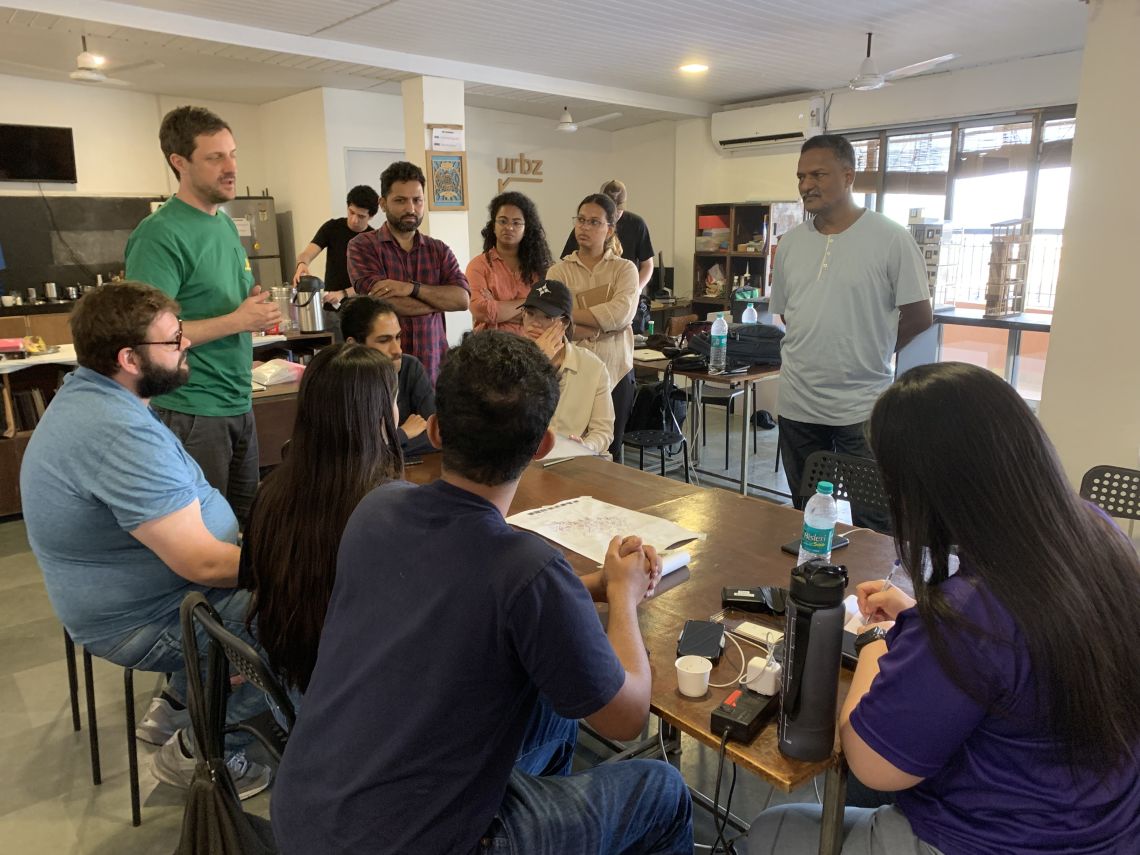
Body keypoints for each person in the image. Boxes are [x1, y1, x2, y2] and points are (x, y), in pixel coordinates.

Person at [271, 331, 692, 854]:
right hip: (419, 844)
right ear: (542, 446)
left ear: (436, 430)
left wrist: (597, 586)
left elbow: (480, 601)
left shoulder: (376, 509)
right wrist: (625, 598)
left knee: (552, 711)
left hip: (305, 818)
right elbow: (626, 717)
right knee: (663, 791)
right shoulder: (528, 569)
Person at [742, 361, 1140, 855]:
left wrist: (876, 642)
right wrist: (924, 619)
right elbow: (1017, 646)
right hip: (1106, 824)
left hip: (1002, 840)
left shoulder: (971, 616)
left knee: (771, 832)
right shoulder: (1094, 530)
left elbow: (871, 764)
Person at [19, 282, 272, 799]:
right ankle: (201, 749)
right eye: (173, 339)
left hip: (134, 596)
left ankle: (181, 703)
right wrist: (292, 562)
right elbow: (202, 563)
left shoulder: (91, 393)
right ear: (129, 359)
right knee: (306, 615)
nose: (186, 344)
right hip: (141, 619)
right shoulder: (116, 431)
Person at [125, 105, 282, 526]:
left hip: (238, 400)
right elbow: (146, 334)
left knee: (244, 530)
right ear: (179, 162)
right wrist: (238, 320)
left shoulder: (224, 225)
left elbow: (224, 305)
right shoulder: (160, 234)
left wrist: (253, 308)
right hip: (191, 409)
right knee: (202, 534)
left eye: (232, 154)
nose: (231, 167)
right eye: (215, 158)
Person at [770, 134, 932, 533]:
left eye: (818, 174)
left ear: (848, 176)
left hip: (862, 405)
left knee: (874, 521)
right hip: (798, 402)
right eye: (801, 176)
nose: (807, 184)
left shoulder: (890, 238)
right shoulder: (790, 244)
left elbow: (919, 315)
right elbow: (790, 314)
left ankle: (875, 577)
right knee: (806, 515)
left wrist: (875, 348)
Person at [241, 343, 403, 694]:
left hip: (289, 682)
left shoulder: (271, 491)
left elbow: (250, 582)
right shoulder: (386, 510)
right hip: (353, 696)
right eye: (393, 400)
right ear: (377, 415)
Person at [347, 160, 470, 382]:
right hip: (382, 372)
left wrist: (411, 288)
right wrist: (439, 302)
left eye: (417, 200)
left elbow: (462, 300)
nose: (411, 209)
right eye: (400, 200)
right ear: (383, 203)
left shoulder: (439, 250)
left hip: (434, 369)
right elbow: (382, 304)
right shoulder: (362, 246)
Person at [547, 193, 639, 460]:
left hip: (617, 370)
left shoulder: (624, 270)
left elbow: (621, 314)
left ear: (609, 229)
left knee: (610, 452)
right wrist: (601, 325)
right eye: (581, 220)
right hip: (572, 375)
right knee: (568, 449)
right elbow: (553, 322)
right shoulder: (558, 272)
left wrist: (570, 315)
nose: (584, 227)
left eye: (594, 222)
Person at [520, 279, 615, 455]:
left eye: (547, 316)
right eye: (530, 313)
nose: (535, 323)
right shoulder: (509, 362)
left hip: (576, 459)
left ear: (564, 323)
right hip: (523, 459)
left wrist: (585, 446)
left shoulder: (592, 366)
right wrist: (536, 361)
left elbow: (603, 431)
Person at [339, 295, 436, 457]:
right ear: (353, 345)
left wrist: (386, 444)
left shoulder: (410, 368)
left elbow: (436, 435)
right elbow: (354, 453)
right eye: (384, 340)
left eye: (398, 337)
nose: (397, 350)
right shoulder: (337, 381)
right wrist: (403, 434)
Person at [292, 184, 380, 340]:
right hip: (332, 310)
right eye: (351, 212)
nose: (354, 220)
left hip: (361, 311)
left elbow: (372, 282)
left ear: (371, 216)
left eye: (361, 216)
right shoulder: (332, 228)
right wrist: (302, 264)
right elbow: (307, 254)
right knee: (335, 351)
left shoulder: (374, 240)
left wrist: (343, 293)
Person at [467, 191, 553, 334]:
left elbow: (546, 316)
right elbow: (482, 312)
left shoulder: (540, 267)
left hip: (532, 343)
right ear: (493, 226)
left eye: (516, 223)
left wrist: (497, 306)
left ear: (526, 229)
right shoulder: (478, 265)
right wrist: (530, 302)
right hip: (489, 343)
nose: (509, 227)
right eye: (503, 221)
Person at [560, 179, 655, 293]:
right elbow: (567, 263)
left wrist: (635, 290)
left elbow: (647, 265)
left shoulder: (637, 224)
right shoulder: (583, 228)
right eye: (582, 220)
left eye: (618, 210)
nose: (615, 214)